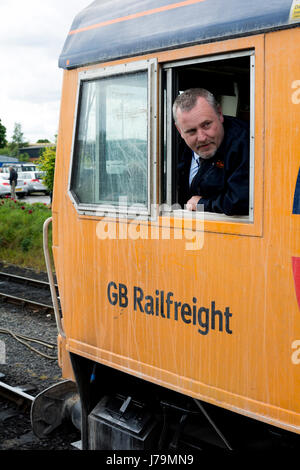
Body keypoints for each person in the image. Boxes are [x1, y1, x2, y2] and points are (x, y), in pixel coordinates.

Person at [173, 88, 249, 215]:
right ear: (180, 131)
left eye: (206, 125)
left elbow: (241, 201)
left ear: (220, 114)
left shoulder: (244, 141)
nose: (202, 138)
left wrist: (202, 204)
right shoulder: (173, 148)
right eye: (191, 131)